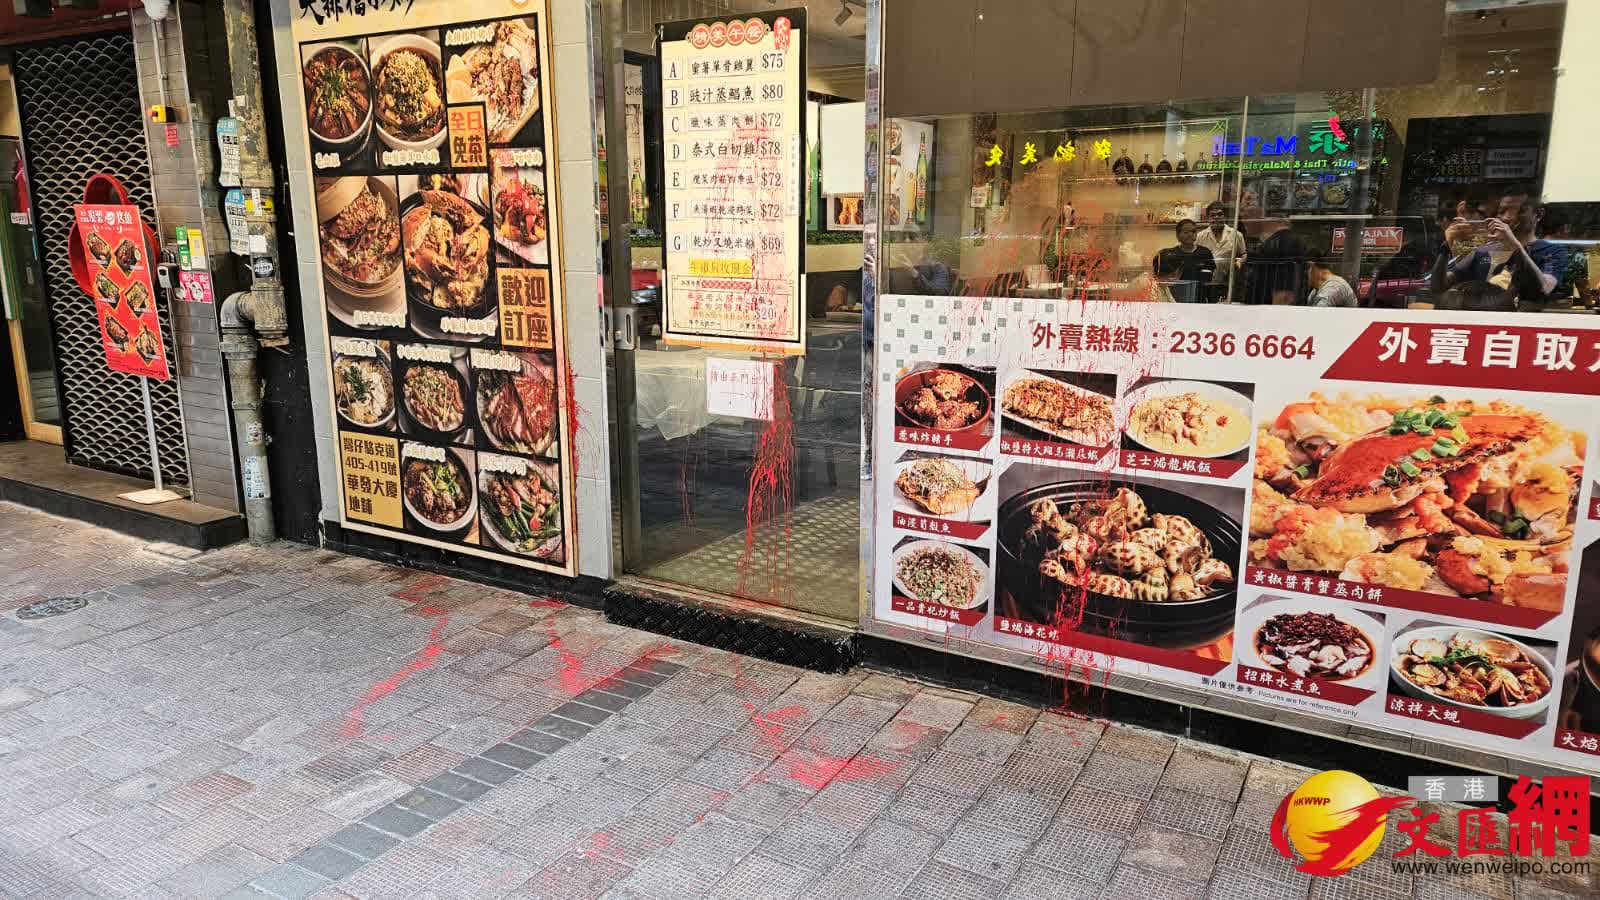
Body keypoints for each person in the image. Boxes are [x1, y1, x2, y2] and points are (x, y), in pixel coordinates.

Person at [1433, 186, 1569, 310]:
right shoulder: (1483, 252)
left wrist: (1514, 245)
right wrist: (1446, 246)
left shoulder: (1552, 252)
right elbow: (1438, 287)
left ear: (1538, 214)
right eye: (1502, 211)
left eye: (1519, 211)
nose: (1507, 217)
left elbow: (1545, 288)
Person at [1242, 218, 1308, 305]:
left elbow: (1264, 257)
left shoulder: (1272, 241)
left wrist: (1248, 257)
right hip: (1293, 286)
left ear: (1277, 224)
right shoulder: (1298, 240)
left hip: (1276, 287)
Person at [1194, 201, 1246, 300]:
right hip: (1205, 284)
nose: (1216, 217)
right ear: (1208, 218)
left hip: (1228, 284)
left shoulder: (1236, 235)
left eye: (1219, 214)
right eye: (1213, 215)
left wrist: (1238, 264)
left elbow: (1243, 254)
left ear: (1225, 216)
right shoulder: (1200, 236)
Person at [1152, 219, 1216, 287]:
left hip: (1199, 290)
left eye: (1193, 231)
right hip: (1176, 291)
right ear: (1177, 235)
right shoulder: (1168, 255)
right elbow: (1160, 279)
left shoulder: (1205, 252)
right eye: (1186, 232)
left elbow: (1211, 276)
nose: (1190, 234)